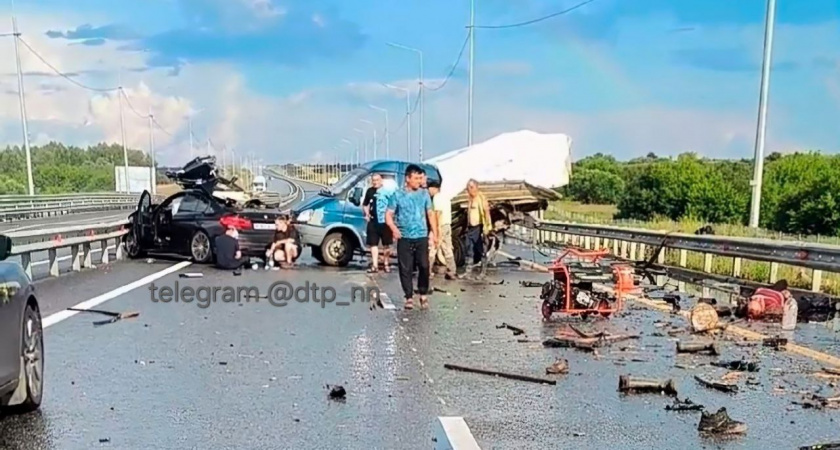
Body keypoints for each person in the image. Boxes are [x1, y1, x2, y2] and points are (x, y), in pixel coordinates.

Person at [386, 164, 439, 310]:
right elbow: (388, 215)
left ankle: (423, 293)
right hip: (404, 236)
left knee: (424, 265)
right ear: (408, 178)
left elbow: (430, 213)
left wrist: (434, 233)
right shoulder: (397, 195)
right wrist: (393, 228)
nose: (419, 181)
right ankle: (409, 297)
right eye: (416, 178)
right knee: (406, 268)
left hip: (421, 235)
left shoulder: (424, 194)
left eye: (420, 178)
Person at [363, 173, 393, 273]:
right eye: (374, 180)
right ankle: (375, 265)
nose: (375, 182)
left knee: (386, 245)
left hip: (385, 222)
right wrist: (366, 214)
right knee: (373, 244)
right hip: (373, 221)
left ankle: (386, 264)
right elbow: (365, 204)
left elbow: (392, 206)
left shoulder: (387, 192)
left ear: (381, 181)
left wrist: (390, 217)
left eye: (377, 180)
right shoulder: (369, 191)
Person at [461, 179, 491, 277]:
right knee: (469, 248)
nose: (469, 190)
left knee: (481, 249)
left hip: (479, 227)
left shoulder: (481, 198)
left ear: (476, 187)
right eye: (468, 188)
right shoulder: (470, 198)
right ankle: (468, 271)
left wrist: (487, 227)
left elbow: (486, 213)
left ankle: (483, 272)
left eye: (471, 187)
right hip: (471, 228)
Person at [427, 180, 456, 280]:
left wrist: (436, 230)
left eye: (429, 188)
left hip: (440, 225)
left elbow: (438, 214)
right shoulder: (446, 197)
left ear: (434, 188)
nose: (428, 191)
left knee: (433, 248)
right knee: (447, 248)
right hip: (447, 225)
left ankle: (427, 271)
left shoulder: (436, 198)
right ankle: (452, 271)